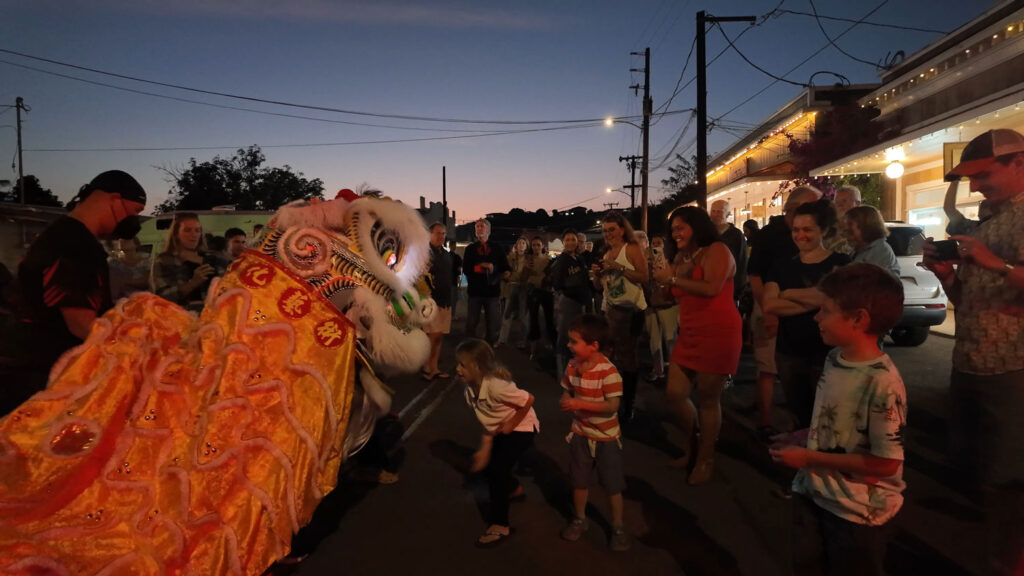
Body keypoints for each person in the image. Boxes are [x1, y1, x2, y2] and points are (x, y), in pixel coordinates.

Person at [921, 128, 1024, 576]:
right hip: (970, 361)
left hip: (1013, 367)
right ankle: (994, 545)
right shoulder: (988, 218)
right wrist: (947, 276)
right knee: (977, 466)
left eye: (982, 174)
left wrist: (998, 264)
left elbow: (1001, 277)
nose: (976, 186)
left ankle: (1008, 559)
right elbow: (969, 300)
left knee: (1009, 476)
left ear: (1018, 162)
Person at [770, 263, 907, 576]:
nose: (817, 317)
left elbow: (886, 463)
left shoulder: (883, 384)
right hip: (815, 493)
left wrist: (807, 456)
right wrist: (803, 436)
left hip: (858, 512)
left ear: (858, 318)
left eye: (826, 310)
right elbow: (838, 424)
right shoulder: (834, 359)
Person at [1, 170, 146, 416]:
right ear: (113, 199)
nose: (133, 222)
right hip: (40, 374)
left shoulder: (61, 233)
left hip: (28, 364)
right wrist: (128, 352)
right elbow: (80, 323)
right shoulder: (75, 244)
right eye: (134, 212)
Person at [652, 207, 741, 485]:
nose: (675, 233)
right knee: (675, 393)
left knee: (707, 399)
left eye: (681, 227)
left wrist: (674, 279)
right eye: (673, 229)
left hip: (718, 332)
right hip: (689, 332)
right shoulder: (680, 256)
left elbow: (712, 288)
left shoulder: (717, 250)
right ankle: (693, 448)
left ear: (697, 226)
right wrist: (662, 281)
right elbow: (666, 296)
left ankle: (705, 458)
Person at [763, 199, 850, 432]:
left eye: (807, 229)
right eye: (796, 229)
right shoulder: (781, 266)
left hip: (829, 354)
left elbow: (840, 302)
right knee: (799, 416)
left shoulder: (841, 263)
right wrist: (821, 299)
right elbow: (770, 305)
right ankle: (804, 463)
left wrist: (789, 293)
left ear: (823, 230)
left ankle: (826, 464)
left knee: (831, 418)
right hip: (789, 353)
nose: (800, 235)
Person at [747, 186, 822, 441]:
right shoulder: (769, 235)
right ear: (794, 209)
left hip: (805, 313)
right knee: (769, 366)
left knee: (805, 369)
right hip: (772, 306)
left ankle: (807, 427)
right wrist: (768, 311)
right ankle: (765, 422)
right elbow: (755, 275)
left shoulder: (819, 234)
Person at [457, 338, 539, 548]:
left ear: (476, 367)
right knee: (490, 468)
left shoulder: (496, 386)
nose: (457, 369)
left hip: (522, 427)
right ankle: (513, 489)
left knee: (497, 470)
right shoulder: (469, 391)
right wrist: (485, 447)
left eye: (462, 365)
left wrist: (512, 423)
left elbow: (528, 399)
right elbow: (489, 421)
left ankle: (500, 525)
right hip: (502, 428)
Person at [558, 314, 630, 551]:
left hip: (606, 438)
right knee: (579, 481)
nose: (569, 346)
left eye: (574, 342)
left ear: (594, 346)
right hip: (581, 433)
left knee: (612, 485)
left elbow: (612, 406)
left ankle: (617, 527)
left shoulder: (608, 372)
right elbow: (567, 390)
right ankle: (580, 519)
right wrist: (567, 399)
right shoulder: (572, 366)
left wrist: (580, 405)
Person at [591, 212, 647, 423]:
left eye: (612, 229)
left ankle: (628, 406)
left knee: (627, 357)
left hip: (631, 311)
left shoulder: (631, 249)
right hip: (610, 309)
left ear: (623, 229)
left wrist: (618, 267)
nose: (608, 234)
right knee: (607, 355)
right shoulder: (605, 252)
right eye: (605, 231)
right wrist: (597, 274)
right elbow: (598, 287)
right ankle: (612, 400)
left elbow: (644, 277)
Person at [151, 213, 228, 312]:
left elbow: (228, 283)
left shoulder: (211, 258)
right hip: (180, 317)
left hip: (211, 316)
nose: (194, 235)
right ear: (176, 234)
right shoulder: (165, 260)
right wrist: (193, 283)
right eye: (187, 230)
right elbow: (161, 297)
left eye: (197, 230)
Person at [549, 229, 593, 380]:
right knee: (564, 336)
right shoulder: (562, 260)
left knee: (578, 338)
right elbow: (557, 283)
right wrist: (572, 284)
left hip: (582, 301)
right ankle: (563, 372)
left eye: (573, 239)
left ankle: (575, 369)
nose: (570, 242)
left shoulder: (579, 259)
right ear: (563, 242)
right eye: (567, 240)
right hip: (568, 302)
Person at [462, 219, 509, 347]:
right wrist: (482, 267)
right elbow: (466, 269)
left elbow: (506, 268)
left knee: (493, 324)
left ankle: (487, 349)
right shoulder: (470, 249)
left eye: (482, 226)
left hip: (492, 293)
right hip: (475, 292)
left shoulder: (497, 248)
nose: (479, 228)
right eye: (477, 226)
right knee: (471, 323)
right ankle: (469, 348)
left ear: (489, 230)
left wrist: (496, 269)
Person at [420, 222, 454, 381]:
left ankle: (434, 367)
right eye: (438, 233)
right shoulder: (425, 254)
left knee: (439, 336)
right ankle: (427, 367)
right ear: (430, 234)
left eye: (444, 233)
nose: (441, 236)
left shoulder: (446, 254)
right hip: (430, 301)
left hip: (446, 299)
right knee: (432, 336)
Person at [643, 235, 678, 382]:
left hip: (667, 303)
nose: (656, 245)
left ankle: (675, 371)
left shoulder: (671, 260)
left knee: (670, 338)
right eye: (653, 243)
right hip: (650, 304)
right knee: (654, 339)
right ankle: (658, 369)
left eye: (659, 243)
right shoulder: (646, 260)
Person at [522, 236, 555, 359]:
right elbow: (524, 279)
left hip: (546, 291)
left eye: (538, 245)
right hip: (533, 291)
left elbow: (552, 277)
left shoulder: (548, 260)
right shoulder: (528, 260)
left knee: (549, 319)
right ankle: (533, 348)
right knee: (533, 319)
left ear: (542, 246)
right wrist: (526, 268)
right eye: (534, 245)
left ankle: (550, 343)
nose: (536, 247)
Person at [843, 205, 899, 278]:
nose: (845, 228)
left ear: (865, 226)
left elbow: (866, 282)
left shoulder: (880, 251)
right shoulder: (860, 249)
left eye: (850, 224)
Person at [710, 199, 747, 302]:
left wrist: (738, 291)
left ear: (727, 214)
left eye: (720, 211)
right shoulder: (707, 233)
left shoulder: (736, 235)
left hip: (730, 287)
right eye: (713, 211)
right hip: (708, 287)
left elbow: (741, 262)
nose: (715, 214)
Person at [498, 237, 528, 349]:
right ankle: (502, 339)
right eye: (519, 243)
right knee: (507, 314)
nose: (521, 245)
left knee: (523, 316)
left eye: (523, 243)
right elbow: (505, 272)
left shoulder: (529, 259)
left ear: (526, 246)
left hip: (523, 289)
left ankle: (522, 340)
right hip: (511, 288)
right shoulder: (510, 258)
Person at [108, 236, 152, 300]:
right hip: (122, 300)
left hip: (145, 298)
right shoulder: (114, 263)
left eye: (129, 250)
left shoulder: (147, 259)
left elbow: (148, 280)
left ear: (136, 245)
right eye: (124, 250)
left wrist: (125, 281)